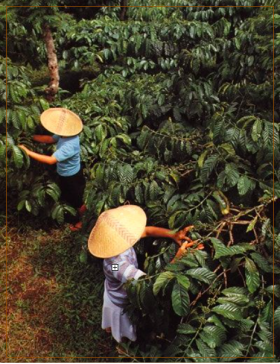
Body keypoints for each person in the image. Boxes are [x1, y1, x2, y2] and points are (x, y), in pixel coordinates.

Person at [87, 204, 204, 343]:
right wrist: (177, 259)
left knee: (112, 315)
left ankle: (111, 327)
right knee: (121, 324)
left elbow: (146, 232)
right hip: (121, 300)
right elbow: (150, 282)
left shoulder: (117, 244)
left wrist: (173, 234)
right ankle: (122, 341)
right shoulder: (118, 267)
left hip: (114, 288)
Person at [19, 108, 86, 231]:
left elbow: (51, 160)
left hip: (72, 176)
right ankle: (73, 212)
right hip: (65, 172)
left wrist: (27, 152)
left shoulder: (70, 144)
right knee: (68, 195)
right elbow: (50, 139)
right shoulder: (65, 134)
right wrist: (31, 136)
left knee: (78, 200)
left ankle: (82, 221)